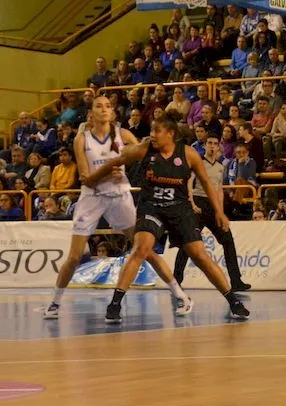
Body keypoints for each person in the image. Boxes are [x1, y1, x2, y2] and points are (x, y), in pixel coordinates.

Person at [89, 115, 250, 323]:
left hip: (179, 209)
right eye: (151, 130)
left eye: (157, 131)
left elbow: (207, 183)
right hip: (151, 207)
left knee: (199, 255)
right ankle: (115, 304)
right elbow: (117, 160)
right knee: (141, 249)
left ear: (171, 134)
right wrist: (92, 178)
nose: (152, 135)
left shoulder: (189, 154)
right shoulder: (145, 149)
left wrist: (219, 212)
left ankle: (234, 302)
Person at [44, 97, 191, 320]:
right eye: (99, 106)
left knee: (145, 250)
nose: (104, 109)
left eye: (108, 106)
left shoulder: (123, 135)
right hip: (92, 197)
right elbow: (86, 179)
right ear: (91, 113)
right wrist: (107, 170)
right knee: (74, 257)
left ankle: (180, 295)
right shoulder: (82, 139)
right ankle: (55, 302)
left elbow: (146, 151)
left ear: (113, 112)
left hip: (120, 196)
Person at [173, 134, 252, 292]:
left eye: (215, 143)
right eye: (209, 143)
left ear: (218, 146)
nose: (212, 146)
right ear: (205, 145)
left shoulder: (221, 166)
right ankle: (176, 280)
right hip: (198, 202)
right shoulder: (198, 163)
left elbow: (219, 189)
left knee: (228, 240)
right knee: (188, 243)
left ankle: (236, 281)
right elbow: (189, 182)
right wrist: (191, 202)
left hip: (213, 205)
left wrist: (220, 211)